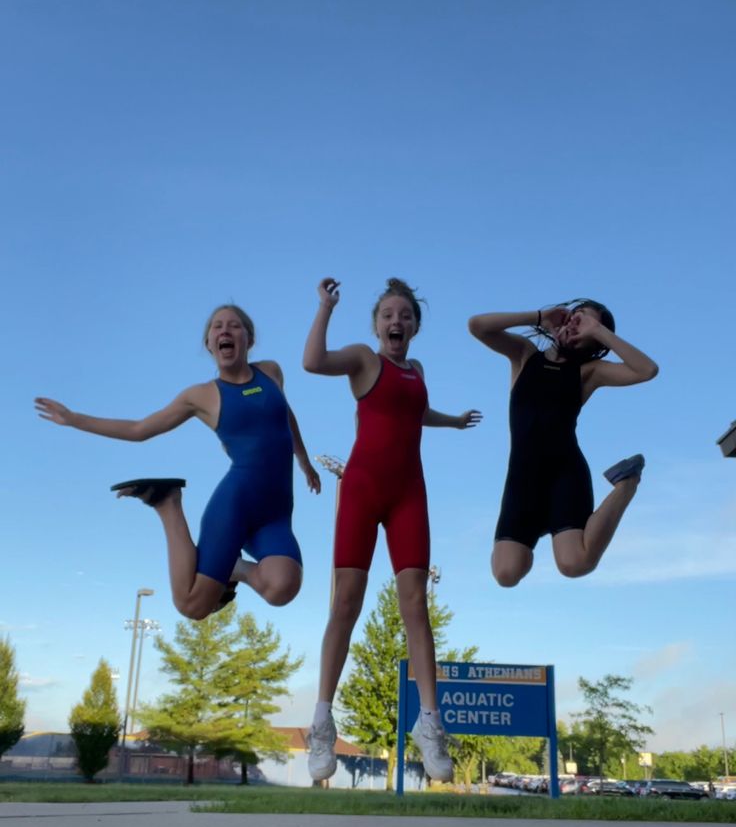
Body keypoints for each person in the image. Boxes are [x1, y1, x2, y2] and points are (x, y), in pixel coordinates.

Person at [303, 277, 481, 782]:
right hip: (361, 491)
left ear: (416, 326)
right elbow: (313, 363)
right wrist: (324, 308)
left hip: (410, 495)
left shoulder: (417, 370)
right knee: (345, 604)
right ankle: (321, 721)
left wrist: (451, 421)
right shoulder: (364, 359)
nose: (396, 321)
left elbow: (416, 412)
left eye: (405, 315)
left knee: (416, 605)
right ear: (377, 325)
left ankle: (430, 724)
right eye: (387, 315)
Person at [35, 304, 320, 619]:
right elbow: (139, 429)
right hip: (237, 504)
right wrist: (75, 419)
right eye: (216, 326)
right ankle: (168, 504)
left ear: (248, 339)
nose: (224, 330)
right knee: (191, 605)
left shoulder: (271, 372)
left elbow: (285, 415)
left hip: (276, 515)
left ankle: (235, 568)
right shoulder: (201, 396)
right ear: (209, 344)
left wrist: (304, 461)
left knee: (284, 587)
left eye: (234, 325)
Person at [468, 298, 658, 587]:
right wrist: (539, 316)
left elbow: (647, 370)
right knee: (506, 573)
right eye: (576, 316)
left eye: (586, 324)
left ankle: (627, 482)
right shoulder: (525, 355)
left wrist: (598, 331)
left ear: (592, 342)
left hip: (564, 475)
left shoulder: (588, 372)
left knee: (575, 564)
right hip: (522, 481)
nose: (576, 323)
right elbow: (477, 326)